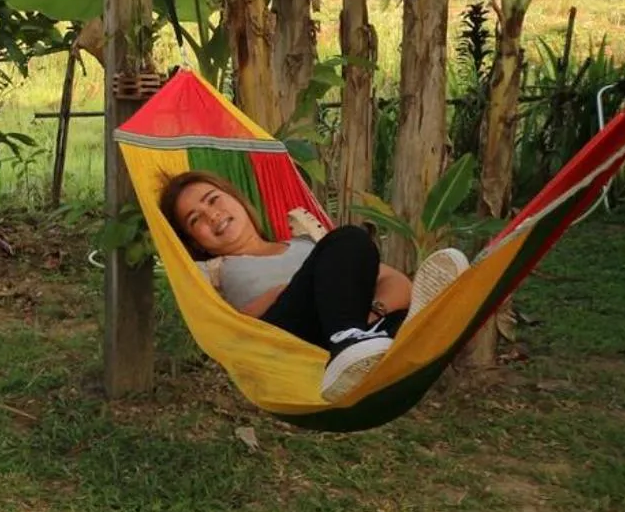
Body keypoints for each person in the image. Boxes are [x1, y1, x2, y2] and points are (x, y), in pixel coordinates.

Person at [158, 170, 470, 404]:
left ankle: (369, 336)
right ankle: (355, 339)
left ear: (235, 199)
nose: (212, 215)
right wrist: (278, 293)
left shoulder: (306, 244)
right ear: (196, 241)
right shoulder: (217, 270)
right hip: (283, 334)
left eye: (213, 200)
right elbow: (225, 331)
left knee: (352, 243)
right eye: (195, 219)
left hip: (347, 328)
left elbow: (394, 281)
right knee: (344, 240)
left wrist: (374, 311)